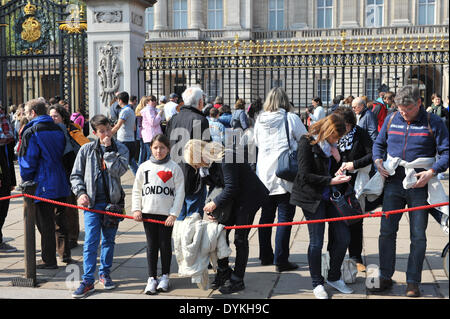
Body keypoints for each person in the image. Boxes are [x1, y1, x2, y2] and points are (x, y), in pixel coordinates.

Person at [369, 85, 449, 297]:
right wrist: (378, 161)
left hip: (419, 184)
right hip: (394, 182)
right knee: (386, 231)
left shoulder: (434, 122)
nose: (403, 112)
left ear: (419, 103)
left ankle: (413, 281)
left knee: (418, 234)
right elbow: (378, 144)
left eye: (408, 108)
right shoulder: (392, 118)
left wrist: (432, 172)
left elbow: (446, 153)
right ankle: (386, 275)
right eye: (400, 108)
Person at [184, 139, 268, 294]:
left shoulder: (225, 157)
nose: (196, 167)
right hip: (232, 198)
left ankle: (238, 279)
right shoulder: (206, 166)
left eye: (195, 163)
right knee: (219, 234)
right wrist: (212, 208)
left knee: (240, 238)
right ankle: (223, 272)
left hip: (249, 197)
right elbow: (216, 186)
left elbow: (231, 187)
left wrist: (215, 203)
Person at [290, 113, 353, 299]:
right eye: (335, 137)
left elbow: (336, 172)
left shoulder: (333, 146)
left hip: (332, 197)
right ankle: (317, 282)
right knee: (316, 242)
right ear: (327, 131)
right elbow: (304, 175)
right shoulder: (306, 142)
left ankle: (333, 276)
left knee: (343, 237)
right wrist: (331, 181)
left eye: (339, 138)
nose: (337, 140)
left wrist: (339, 160)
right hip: (312, 198)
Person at [70, 114, 129, 298]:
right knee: (90, 242)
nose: (105, 134)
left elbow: (120, 170)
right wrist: (80, 193)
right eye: (101, 131)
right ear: (95, 132)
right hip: (93, 203)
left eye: (108, 130)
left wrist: (109, 151)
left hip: (113, 203)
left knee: (109, 240)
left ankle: (105, 272)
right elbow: (76, 175)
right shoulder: (86, 150)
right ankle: (88, 279)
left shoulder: (121, 148)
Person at [254, 87, 307, 271]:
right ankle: (281, 259)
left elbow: (257, 143)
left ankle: (265, 256)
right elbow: (305, 139)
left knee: (266, 217)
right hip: (284, 174)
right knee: (285, 217)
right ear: (285, 100)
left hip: (264, 175)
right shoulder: (290, 118)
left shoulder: (259, 119)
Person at [18, 99, 71, 268]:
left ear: (33, 113)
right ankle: (65, 254)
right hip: (60, 179)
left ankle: (48, 260)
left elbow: (28, 160)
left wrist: (26, 180)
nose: (26, 115)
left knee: (44, 223)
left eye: (26, 112)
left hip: (42, 182)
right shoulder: (58, 128)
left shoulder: (32, 130)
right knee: (60, 220)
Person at [132, 134, 184, 295]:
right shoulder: (144, 167)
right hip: (148, 213)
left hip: (166, 215)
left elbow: (180, 193)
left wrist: (174, 214)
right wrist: (136, 209)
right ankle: (151, 278)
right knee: (151, 246)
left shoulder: (174, 168)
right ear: (150, 148)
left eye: (162, 147)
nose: (158, 151)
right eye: (155, 147)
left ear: (168, 149)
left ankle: (165, 276)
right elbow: (136, 190)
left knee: (165, 245)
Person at [329, 107, 374, 273]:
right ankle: (332, 255)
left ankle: (356, 256)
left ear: (351, 124)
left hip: (355, 182)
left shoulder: (360, 134)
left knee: (355, 219)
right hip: (335, 181)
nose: (341, 129)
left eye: (345, 126)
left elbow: (372, 154)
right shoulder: (332, 134)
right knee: (334, 220)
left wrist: (354, 164)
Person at [165, 86, 211, 221]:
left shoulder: (174, 118)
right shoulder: (200, 120)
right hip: (194, 175)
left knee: (178, 215)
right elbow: (204, 150)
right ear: (200, 102)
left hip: (175, 171)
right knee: (193, 218)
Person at [48, 105, 83, 253]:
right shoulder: (52, 130)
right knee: (62, 206)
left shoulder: (71, 129)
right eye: (50, 116)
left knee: (70, 206)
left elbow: (83, 145)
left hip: (70, 171)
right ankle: (67, 237)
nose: (52, 119)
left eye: (55, 116)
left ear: (63, 117)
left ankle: (72, 237)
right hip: (59, 172)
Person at [0, 107, 17, 253]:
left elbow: (9, 154)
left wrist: (12, 179)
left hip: (5, 173)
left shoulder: (6, 137)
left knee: (3, 209)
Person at [111, 91, 138, 175]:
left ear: (120, 100)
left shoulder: (124, 111)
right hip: (130, 139)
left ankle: (140, 178)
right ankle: (141, 178)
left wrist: (109, 134)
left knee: (121, 162)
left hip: (124, 140)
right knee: (131, 162)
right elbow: (134, 127)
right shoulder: (130, 110)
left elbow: (118, 125)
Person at [141, 95, 164, 163]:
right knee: (152, 155)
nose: (154, 102)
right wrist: (159, 114)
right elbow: (153, 122)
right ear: (148, 102)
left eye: (155, 100)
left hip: (151, 135)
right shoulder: (149, 109)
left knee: (151, 154)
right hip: (150, 135)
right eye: (152, 100)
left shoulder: (153, 109)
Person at [135, 96, 151, 165]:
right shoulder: (144, 110)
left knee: (142, 149)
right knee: (146, 149)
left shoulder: (138, 109)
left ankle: (140, 162)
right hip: (144, 131)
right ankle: (144, 163)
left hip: (140, 131)